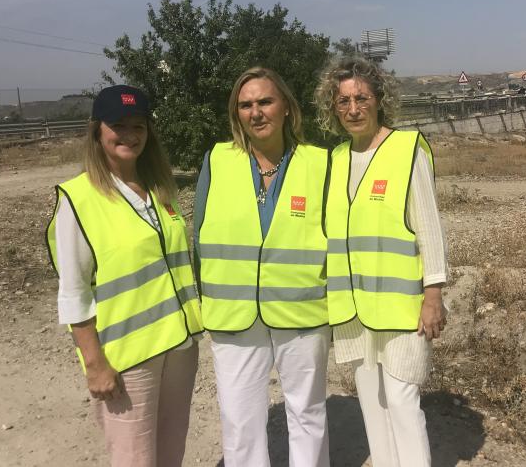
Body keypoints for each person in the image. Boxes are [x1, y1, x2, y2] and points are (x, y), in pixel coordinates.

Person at [45, 85, 204, 467]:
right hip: (128, 359)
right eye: (119, 125)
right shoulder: (78, 200)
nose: (130, 134)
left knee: (171, 449)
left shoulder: (158, 189)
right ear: (97, 131)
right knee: (134, 458)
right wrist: (95, 364)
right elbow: (73, 290)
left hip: (179, 346)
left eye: (139, 125)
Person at [193, 66, 331, 467]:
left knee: (307, 412)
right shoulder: (216, 161)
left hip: (302, 311)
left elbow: (335, 241)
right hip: (234, 315)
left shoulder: (319, 163)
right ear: (237, 114)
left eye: (265, 101)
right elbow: (199, 236)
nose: (256, 112)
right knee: (239, 421)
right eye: (246, 105)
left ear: (286, 106)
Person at [315, 57, 448, 467]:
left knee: (403, 399)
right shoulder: (335, 159)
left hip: (403, 307)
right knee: (372, 400)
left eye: (362, 98)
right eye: (343, 101)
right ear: (332, 108)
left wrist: (433, 295)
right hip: (354, 307)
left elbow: (429, 228)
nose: (353, 109)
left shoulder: (407, 150)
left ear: (380, 100)